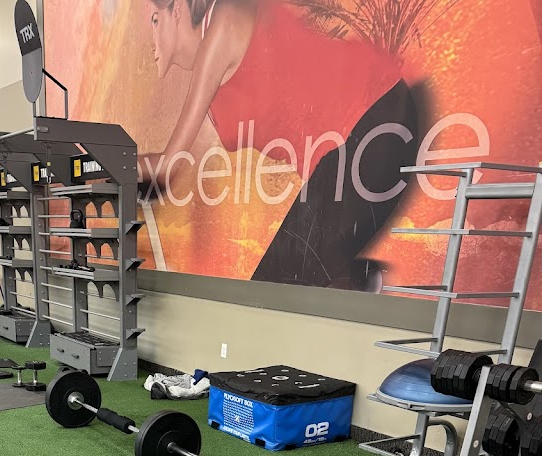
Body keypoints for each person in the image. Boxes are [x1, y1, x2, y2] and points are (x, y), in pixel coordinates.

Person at [141, 0, 420, 289]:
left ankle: (352, 283)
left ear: (176, 10)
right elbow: (176, 166)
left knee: (267, 293)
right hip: (343, 158)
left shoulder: (226, 18)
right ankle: (353, 282)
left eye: (154, 21)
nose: (150, 42)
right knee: (278, 287)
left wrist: (115, 162)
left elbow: (166, 165)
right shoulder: (213, 89)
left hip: (374, 122)